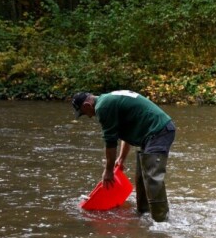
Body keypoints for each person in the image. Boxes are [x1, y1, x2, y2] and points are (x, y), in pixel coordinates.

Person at [71, 90, 176, 222]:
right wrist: (121, 159)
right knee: (142, 177)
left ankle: (161, 222)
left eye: (84, 113)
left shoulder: (102, 107)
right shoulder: (109, 100)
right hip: (152, 132)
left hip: (159, 130)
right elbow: (125, 132)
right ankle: (144, 214)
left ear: (87, 105)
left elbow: (110, 141)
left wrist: (108, 171)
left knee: (152, 177)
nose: (89, 116)